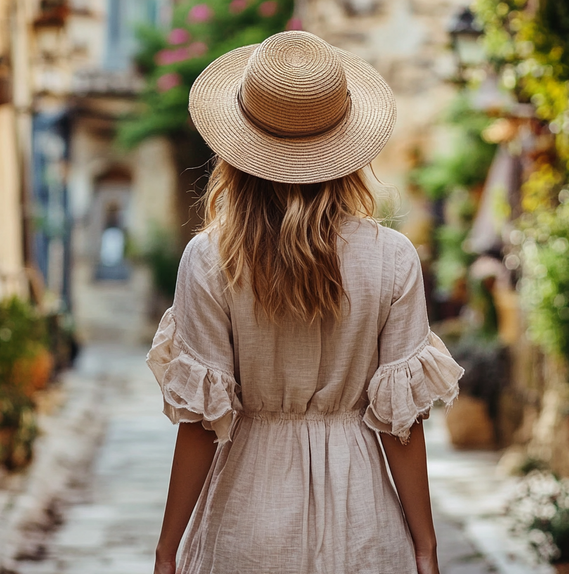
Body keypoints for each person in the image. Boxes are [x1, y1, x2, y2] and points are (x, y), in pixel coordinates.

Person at [147, 30, 464, 574]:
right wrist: (425, 547)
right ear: (347, 147)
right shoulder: (393, 258)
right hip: (363, 519)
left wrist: (167, 549)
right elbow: (399, 425)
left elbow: (201, 423)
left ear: (238, 148)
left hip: (247, 518)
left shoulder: (209, 259)